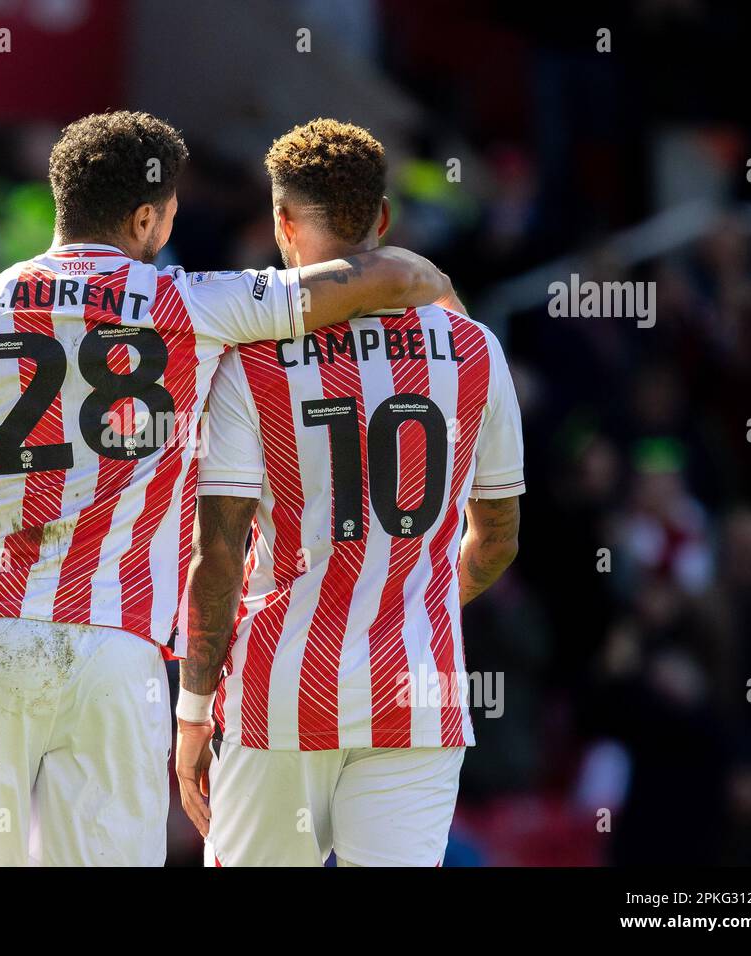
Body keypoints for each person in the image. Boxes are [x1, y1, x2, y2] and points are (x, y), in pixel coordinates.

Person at [0, 110, 454, 866]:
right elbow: (377, 278)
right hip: (122, 658)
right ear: (146, 215)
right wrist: (441, 298)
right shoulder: (195, 305)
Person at [175, 119, 524, 866]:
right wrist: (407, 601)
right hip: (417, 694)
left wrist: (194, 712)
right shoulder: (476, 350)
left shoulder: (253, 362)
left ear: (281, 223)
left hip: (280, 693)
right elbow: (497, 541)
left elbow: (219, 559)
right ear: (385, 219)